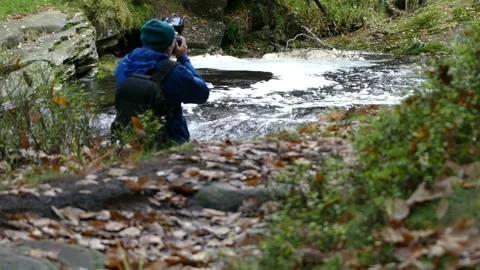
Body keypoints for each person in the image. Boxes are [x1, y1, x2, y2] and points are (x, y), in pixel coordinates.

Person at [113, 19, 210, 145]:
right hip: (169, 143)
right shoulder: (174, 72)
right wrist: (183, 59)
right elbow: (202, 94)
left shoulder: (125, 64)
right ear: (171, 46)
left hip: (129, 140)